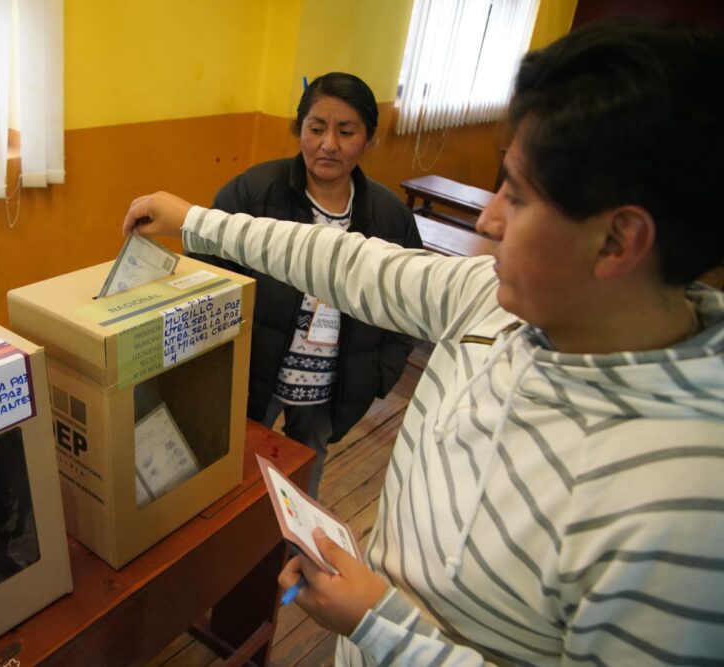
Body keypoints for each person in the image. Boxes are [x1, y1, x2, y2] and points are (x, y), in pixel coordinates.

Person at [122, 19, 724, 666]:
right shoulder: (492, 302)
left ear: (616, 241)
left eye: (516, 197)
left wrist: (377, 622)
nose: (489, 219)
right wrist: (196, 221)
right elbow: (344, 260)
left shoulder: (683, 504)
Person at [189, 72, 422, 499]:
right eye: (316, 129)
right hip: (254, 374)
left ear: (369, 139)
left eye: (346, 131)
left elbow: (408, 309)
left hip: (330, 387)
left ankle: (298, 554)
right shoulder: (253, 193)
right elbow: (201, 275)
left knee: (303, 480)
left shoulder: (390, 218)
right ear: (300, 129)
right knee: (234, 478)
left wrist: (377, 376)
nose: (328, 144)